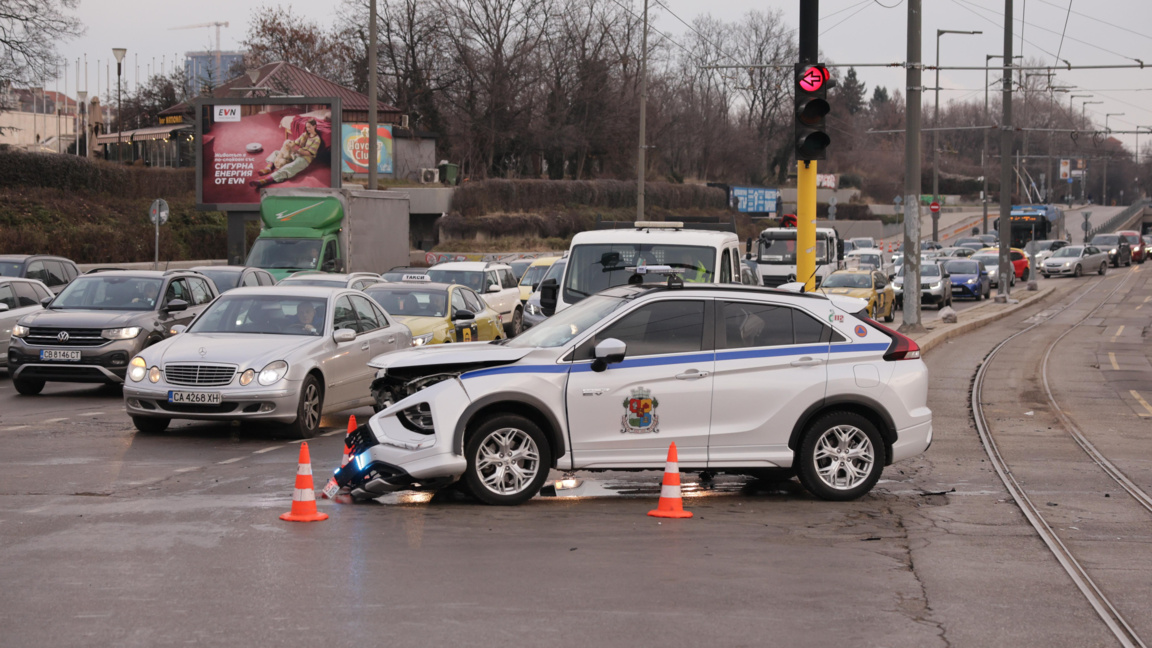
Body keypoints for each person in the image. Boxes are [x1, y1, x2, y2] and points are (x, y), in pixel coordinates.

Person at [250, 118, 323, 189]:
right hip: (296, 154)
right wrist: (288, 145)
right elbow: (295, 142)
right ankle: (268, 168)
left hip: (305, 159)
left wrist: (297, 151)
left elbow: (309, 153)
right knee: (276, 152)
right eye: (307, 127)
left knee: (289, 167)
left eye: (309, 127)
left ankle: (266, 180)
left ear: (315, 126)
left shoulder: (317, 139)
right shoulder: (305, 134)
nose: (307, 129)